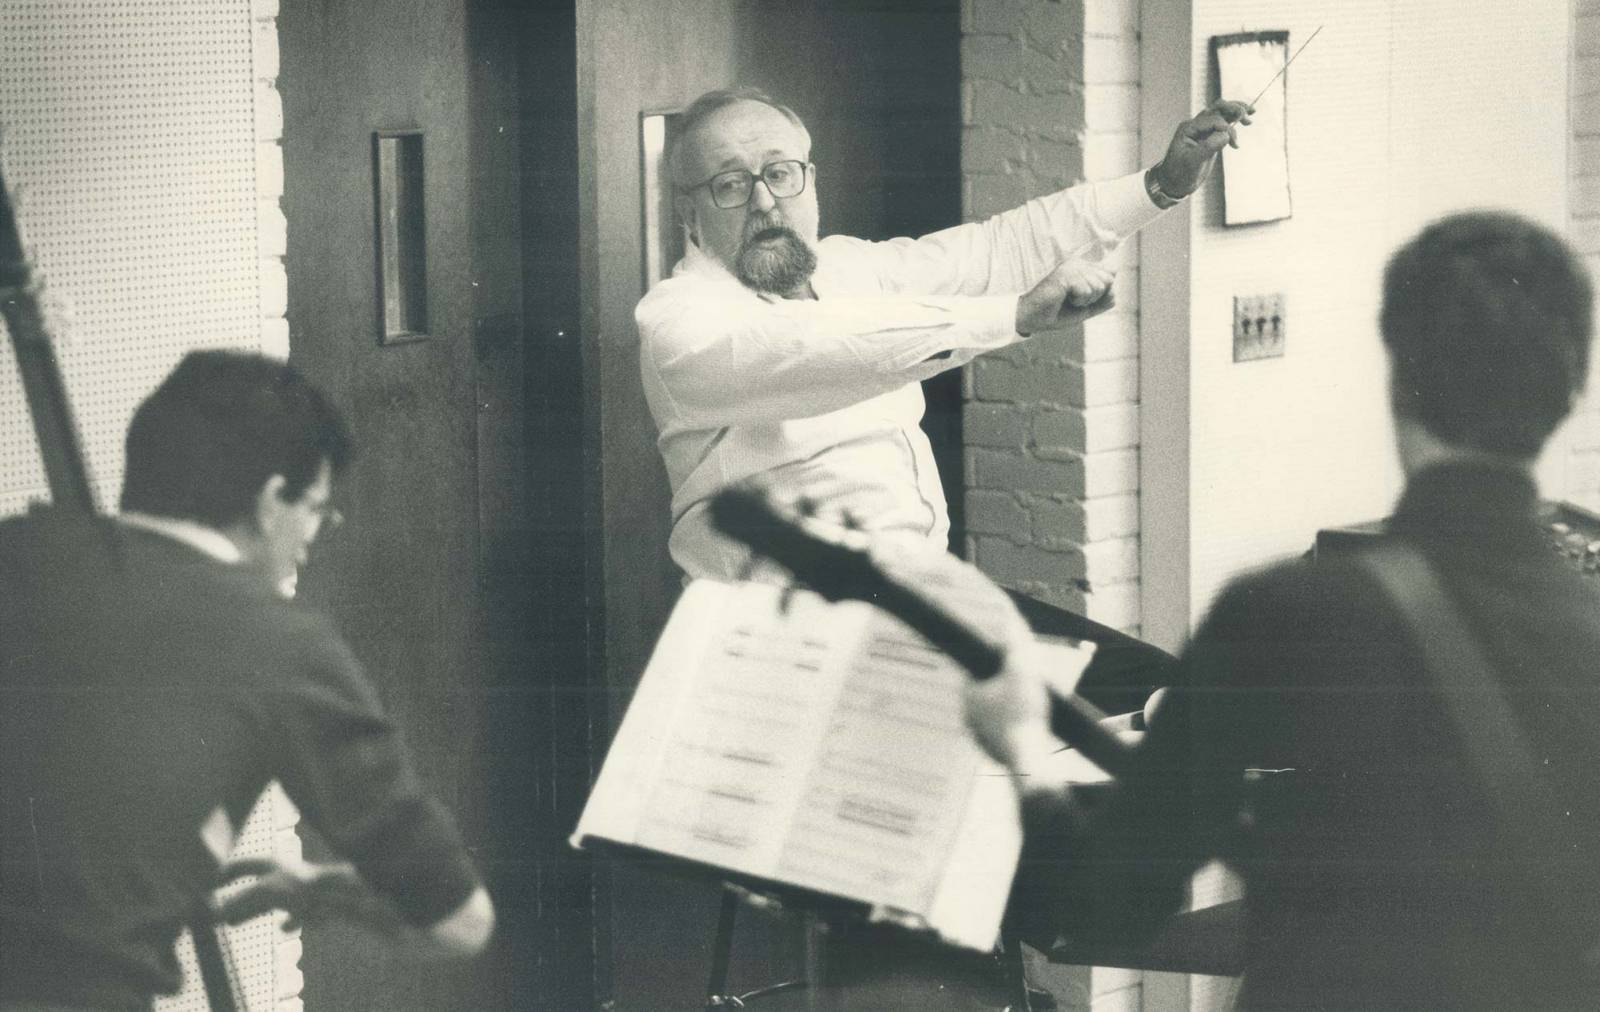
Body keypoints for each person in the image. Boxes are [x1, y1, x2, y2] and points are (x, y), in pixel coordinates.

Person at [964, 211, 1600, 1009]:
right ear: (1571, 393)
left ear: (1400, 379)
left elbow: (1107, 899)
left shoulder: (1291, 612)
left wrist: (1021, 742)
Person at [637, 86, 1251, 715]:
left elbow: (1000, 247)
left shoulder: (854, 272)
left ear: (810, 182)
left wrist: (1160, 184)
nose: (765, 201)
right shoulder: (677, 322)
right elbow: (825, 349)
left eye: (779, 173)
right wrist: (1012, 316)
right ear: (689, 215)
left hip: (926, 607)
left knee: (1172, 699)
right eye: (730, 185)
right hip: (786, 643)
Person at [0, 351, 494, 1011]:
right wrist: (333, 892)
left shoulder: (17, 548)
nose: (314, 535)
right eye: (318, 508)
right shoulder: (285, 645)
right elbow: (460, 922)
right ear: (269, 502)